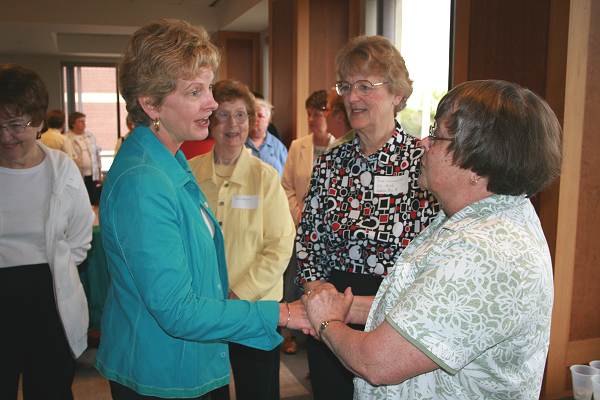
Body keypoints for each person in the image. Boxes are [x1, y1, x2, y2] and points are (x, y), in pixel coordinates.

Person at [302, 79, 562, 399]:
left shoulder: (483, 253)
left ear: (477, 165)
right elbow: (423, 312)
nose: (423, 142)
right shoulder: (475, 218)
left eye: (437, 135)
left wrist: (328, 321)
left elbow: (376, 362)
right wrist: (345, 307)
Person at [95, 19, 310, 400]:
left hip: (189, 360)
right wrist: (283, 314)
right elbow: (177, 310)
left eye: (209, 88)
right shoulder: (144, 180)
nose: (211, 104)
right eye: (196, 91)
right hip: (161, 371)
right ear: (151, 103)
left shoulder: (169, 161)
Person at [295, 35, 439, 399]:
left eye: (365, 86)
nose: (352, 97)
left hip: (398, 317)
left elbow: (437, 251)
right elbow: (308, 240)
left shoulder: (423, 163)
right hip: (331, 312)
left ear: (397, 94)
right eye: (346, 86)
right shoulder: (330, 162)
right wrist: (316, 291)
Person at [190, 79, 295, 400]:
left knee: (258, 390)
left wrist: (239, 293)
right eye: (223, 115)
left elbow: (279, 245)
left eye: (241, 115)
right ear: (209, 121)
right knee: (207, 389)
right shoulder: (190, 173)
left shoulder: (264, 177)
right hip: (205, 307)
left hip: (254, 309)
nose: (233, 124)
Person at [0, 64, 94, 399]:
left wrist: (58, 265)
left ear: (38, 121)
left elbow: (80, 240)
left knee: (51, 388)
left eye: (15, 125)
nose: (5, 136)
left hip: (49, 295)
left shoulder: (60, 167)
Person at [280, 90, 337, 354]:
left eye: (318, 113)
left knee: (322, 284)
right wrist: (299, 213)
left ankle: (320, 336)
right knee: (293, 279)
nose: (313, 119)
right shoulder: (298, 146)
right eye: (309, 114)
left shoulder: (342, 145)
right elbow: (287, 186)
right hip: (299, 227)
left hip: (330, 232)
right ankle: (289, 333)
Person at [66, 111, 102, 204]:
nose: (84, 123)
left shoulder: (90, 136)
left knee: (93, 200)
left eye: (84, 121)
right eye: (81, 121)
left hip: (92, 174)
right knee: (81, 201)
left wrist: (99, 171)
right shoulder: (67, 138)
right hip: (77, 175)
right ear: (73, 123)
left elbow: (96, 155)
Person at [245, 97, 288, 175]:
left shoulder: (278, 147)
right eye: (252, 115)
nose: (255, 118)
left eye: (260, 116)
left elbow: (286, 179)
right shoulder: (239, 143)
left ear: (268, 121)